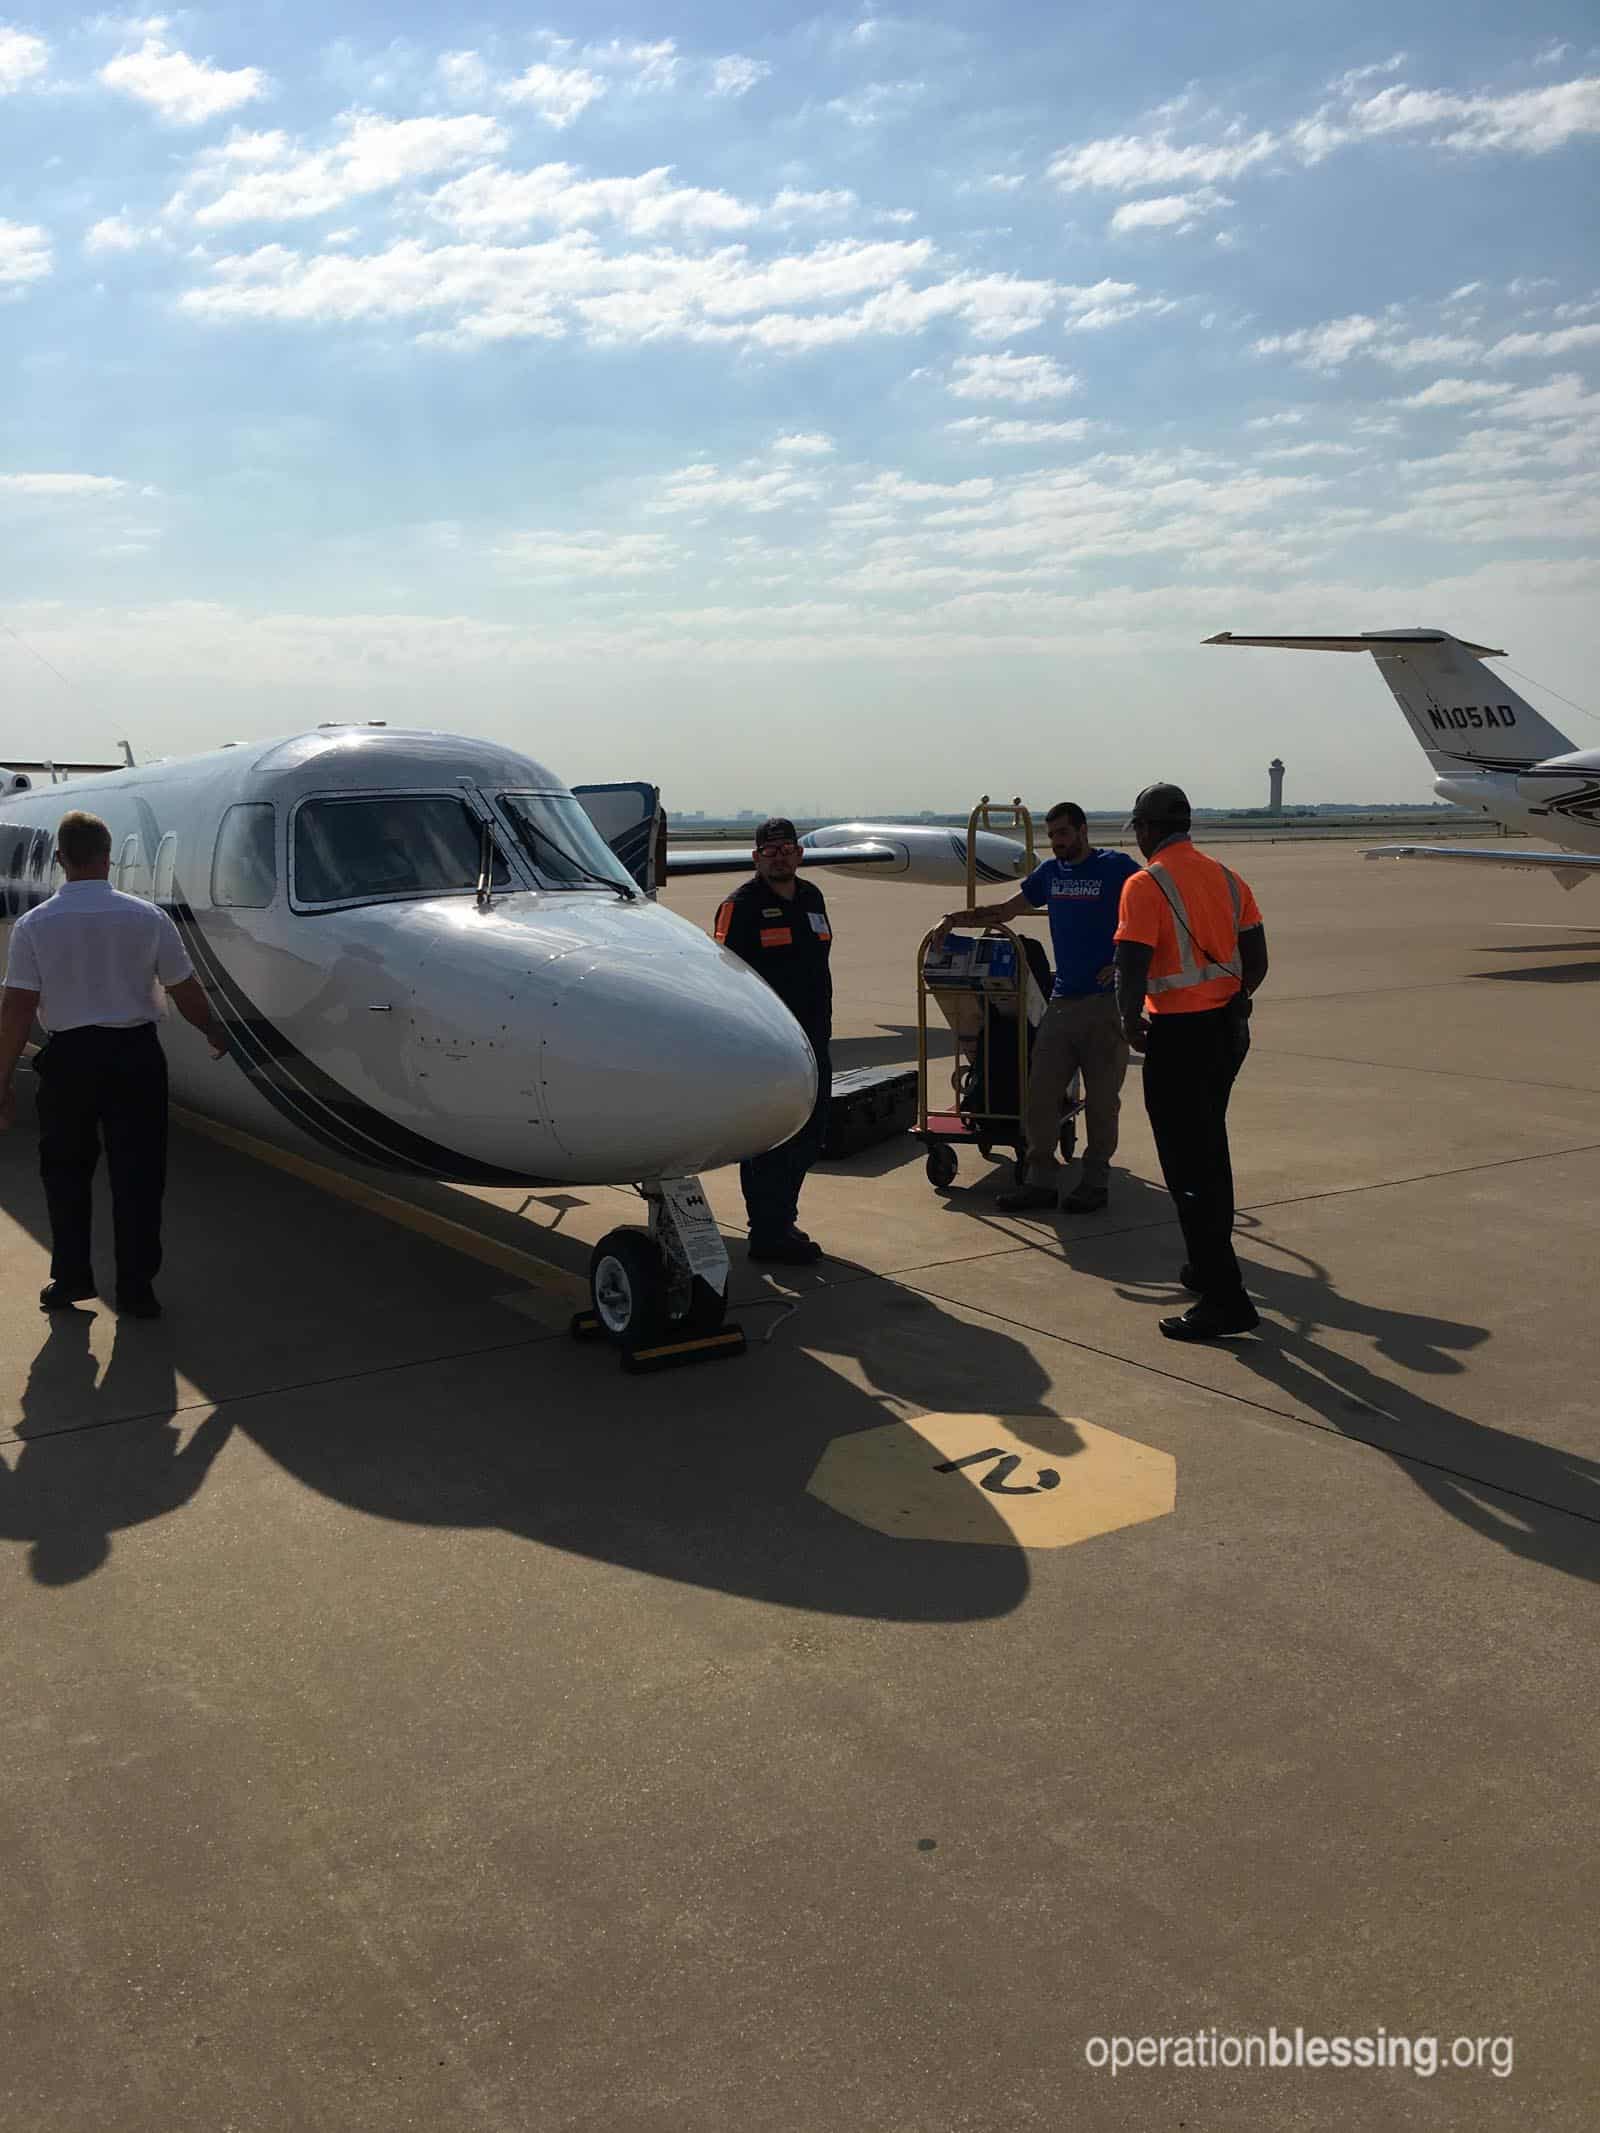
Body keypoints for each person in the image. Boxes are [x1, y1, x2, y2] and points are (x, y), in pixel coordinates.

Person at [0, 810, 228, 1318]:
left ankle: (71, 1278)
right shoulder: (148, 917)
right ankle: (136, 1288)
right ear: (108, 858)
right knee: (139, 1177)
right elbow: (183, 988)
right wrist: (212, 1029)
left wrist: (2, 1080)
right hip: (135, 1059)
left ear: (60, 859)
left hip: (68, 1063)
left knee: (65, 1175)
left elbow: (16, 1008)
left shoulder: (34, 926)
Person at [1113, 783, 1269, 1343]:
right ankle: (1206, 1268)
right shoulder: (1227, 879)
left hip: (1178, 1038)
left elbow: (1130, 970)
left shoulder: (1145, 884)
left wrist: (1131, 1024)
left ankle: (1227, 1299)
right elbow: (1258, 959)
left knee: (1189, 1169)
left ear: (1147, 828)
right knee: (1209, 1150)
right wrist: (1234, 997)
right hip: (1227, 1033)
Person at [939, 802, 1140, 1213]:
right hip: (1062, 1003)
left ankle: (1095, 1182)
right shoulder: (1051, 873)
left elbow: (1151, 910)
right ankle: (1040, 1182)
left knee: (1103, 1102)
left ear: (1083, 831)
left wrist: (1122, 959)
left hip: (1105, 1006)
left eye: (1064, 834)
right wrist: (955, 919)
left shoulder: (1116, 867)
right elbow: (1006, 910)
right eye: (1052, 836)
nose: (1058, 842)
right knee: (1041, 1097)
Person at [713, 817, 832, 1265]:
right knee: (772, 1137)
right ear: (756, 857)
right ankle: (766, 1232)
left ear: (799, 854)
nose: (780, 855)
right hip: (770, 1042)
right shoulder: (740, 905)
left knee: (810, 1134)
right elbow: (726, 975)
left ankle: (781, 1220)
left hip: (815, 1036)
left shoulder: (812, 897)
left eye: (787, 848)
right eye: (770, 849)